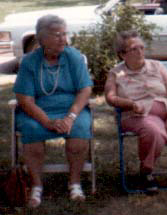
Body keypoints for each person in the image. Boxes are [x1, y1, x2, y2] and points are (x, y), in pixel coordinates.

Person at [104, 30, 167, 191]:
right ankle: (146, 172)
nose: (140, 51)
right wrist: (129, 103)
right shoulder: (117, 73)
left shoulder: (157, 66)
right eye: (134, 49)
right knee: (154, 132)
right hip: (138, 113)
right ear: (122, 54)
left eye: (142, 47)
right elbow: (110, 98)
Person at [13, 14, 93, 208]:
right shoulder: (30, 62)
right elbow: (25, 99)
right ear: (42, 39)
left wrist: (71, 116)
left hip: (70, 109)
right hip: (39, 111)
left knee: (79, 129)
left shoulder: (73, 57)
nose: (63, 39)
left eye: (65, 34)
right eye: (57, 35)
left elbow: (85, 89)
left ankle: (74, 183)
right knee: (31, 130)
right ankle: (37, 186)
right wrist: (47, 122)